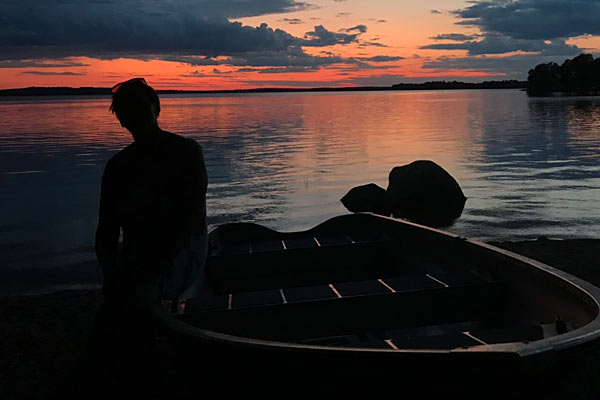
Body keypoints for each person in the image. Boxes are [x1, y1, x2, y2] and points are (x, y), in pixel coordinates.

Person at [85, 78, 208, 396]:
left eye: (140, 107)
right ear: (121, 119)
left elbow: (191, 220)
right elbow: (107, 231)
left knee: (134, 304)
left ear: (156, 108)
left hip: (182, 250)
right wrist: (109, 272)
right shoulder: (118, 166)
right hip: (138, 256)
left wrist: (158, 265)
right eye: (126, 110)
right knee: (119, 310)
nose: (134, 115)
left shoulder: (186, 153)